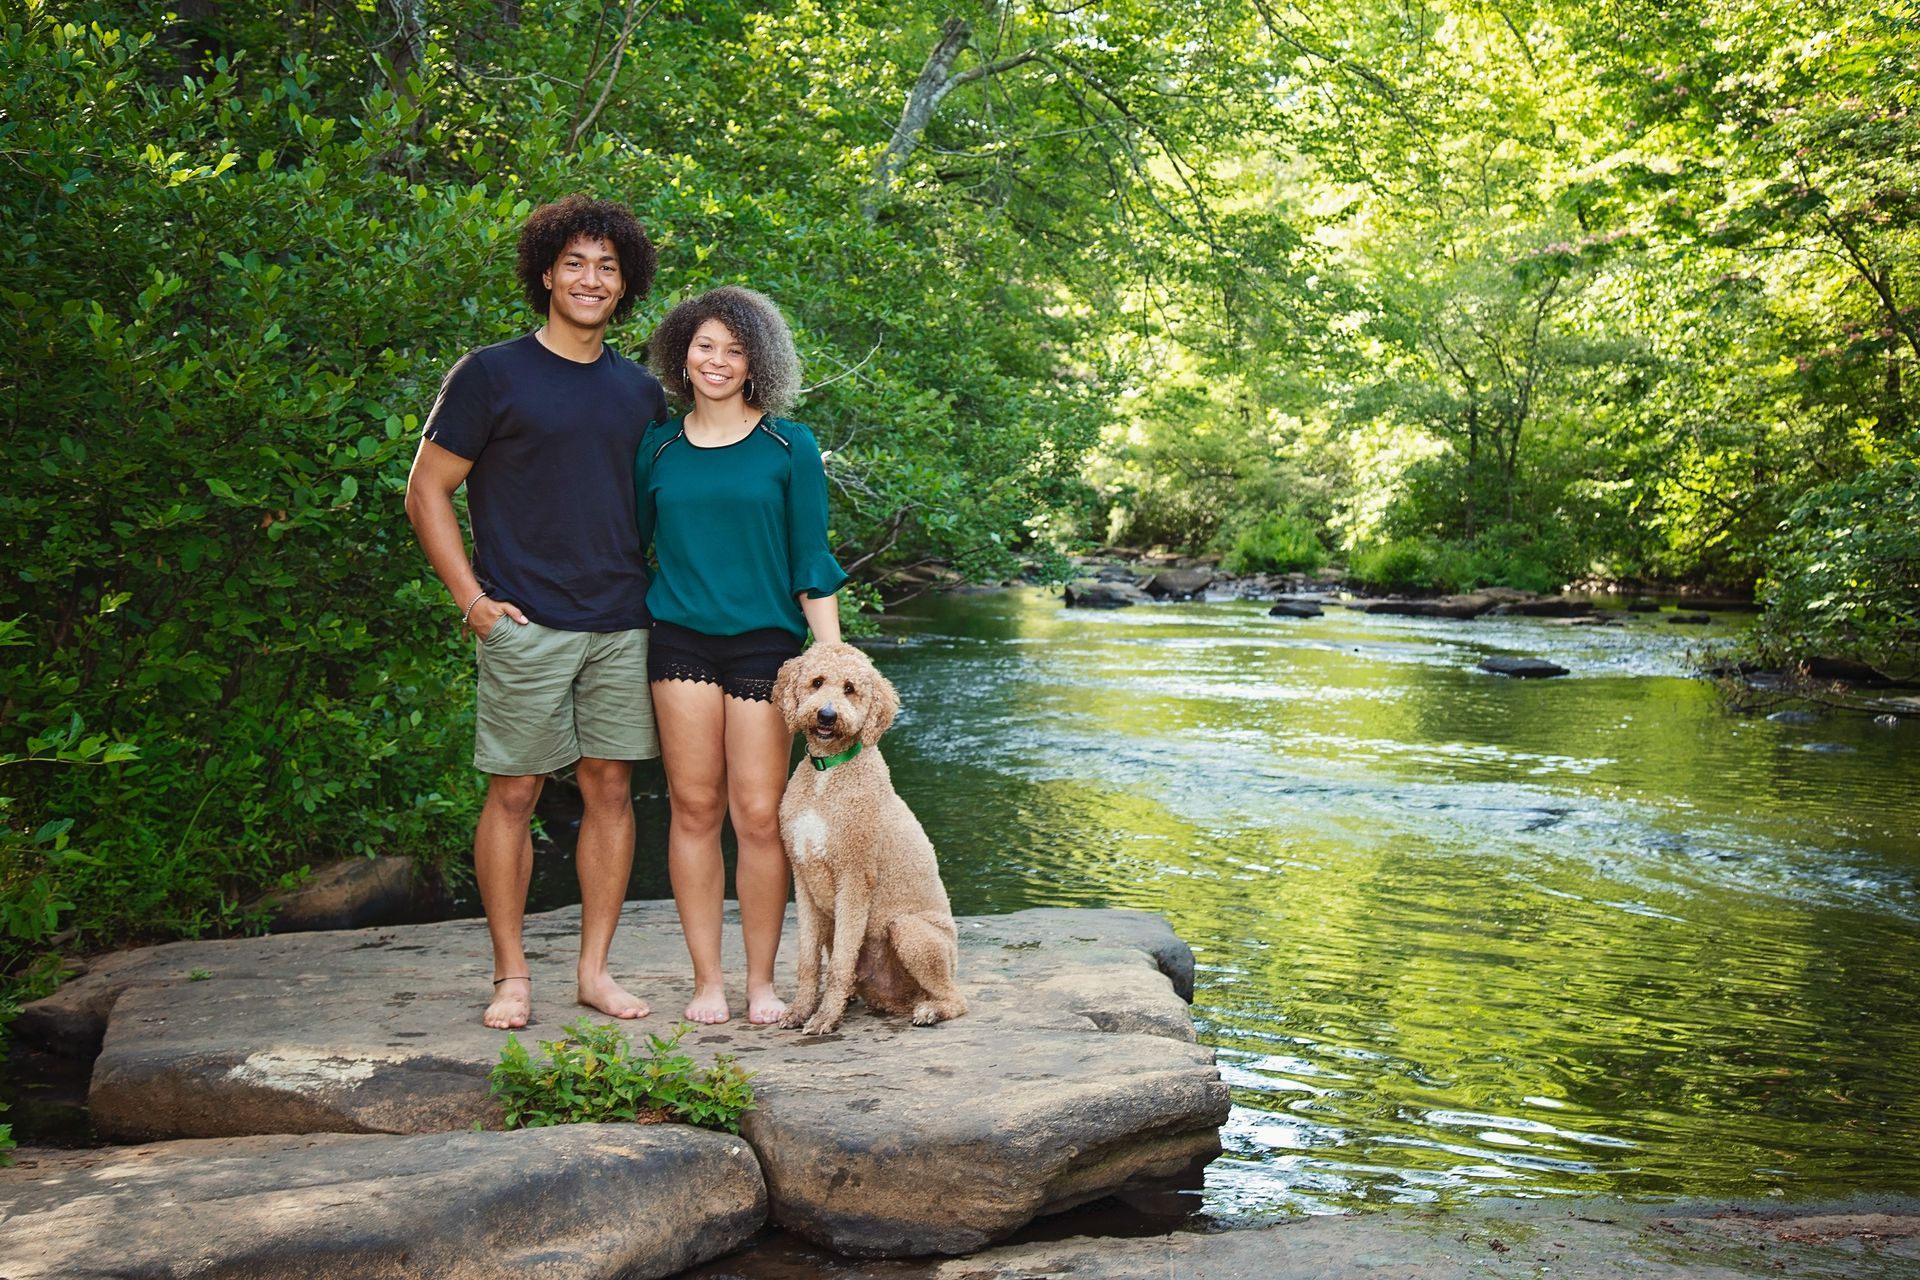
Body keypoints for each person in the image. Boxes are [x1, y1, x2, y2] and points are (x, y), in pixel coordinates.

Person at [404, 195, 666, 1030]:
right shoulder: (490, 373)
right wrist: (471, 601)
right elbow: (426, 490)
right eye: (577, 264)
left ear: (626, 286)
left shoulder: (642, 394)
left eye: (608, 267)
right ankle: (511, 976)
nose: (591, 280)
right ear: (547, 273)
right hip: (525, 621)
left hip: (622, 621)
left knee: (612, 791)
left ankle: (593, 972)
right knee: (514, 793)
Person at [635, 286, 847, 1025]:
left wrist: (833, 659)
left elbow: (811, 562)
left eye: (734, 348)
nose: (717, 361)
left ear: (758, 361)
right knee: (694, 809)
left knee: (758, 816)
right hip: (680, 640)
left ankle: (761, 983)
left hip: (766, 645)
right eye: (704, 346)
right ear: (680, 354)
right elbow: (631, 548)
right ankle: (707, 984)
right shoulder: (656, 445)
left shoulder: (792, 446)